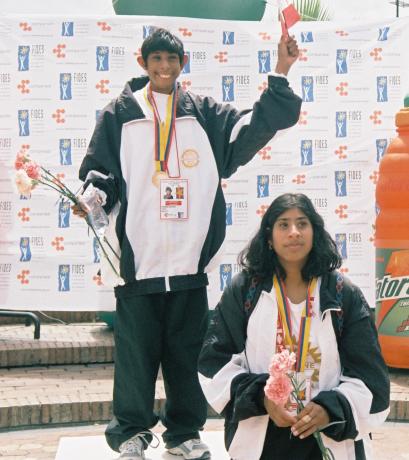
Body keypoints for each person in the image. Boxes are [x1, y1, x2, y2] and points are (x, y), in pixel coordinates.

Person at [74, 28, 302, 460]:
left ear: (183, 64)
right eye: (156, 59)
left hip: (188, 263)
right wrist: (91, 200)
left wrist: (281, 70)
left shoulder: (204, 114)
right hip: (138, 264)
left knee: (186, 355)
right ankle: (130, 433)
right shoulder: (120, 114)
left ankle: (184, 434)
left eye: (172, 60)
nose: (164, 67)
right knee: (135, 357)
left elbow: (252, 127)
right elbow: (99, 175)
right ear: (142, 62)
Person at [198, 193, 390, 460]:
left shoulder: (342, 294)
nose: (294, 232)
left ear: (315, 232)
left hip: (327, 438)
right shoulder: (244, 292)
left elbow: (372, 383)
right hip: (262, 437)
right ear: (269, 236)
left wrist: (330, 409)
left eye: (302, 223)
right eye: (283, 224)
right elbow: (213, 365)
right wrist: (262, 397)